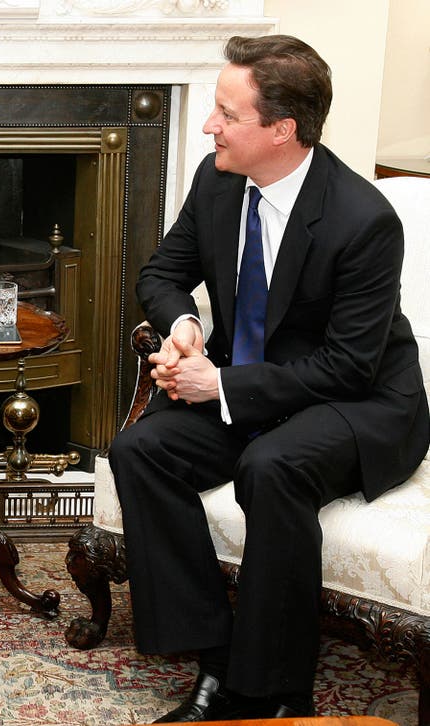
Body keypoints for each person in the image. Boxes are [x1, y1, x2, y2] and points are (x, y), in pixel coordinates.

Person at [108, 34, 429, 722]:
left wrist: (219, 388)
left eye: (227, 113)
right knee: (141, 449)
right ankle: (217, 660)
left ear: (282, 130)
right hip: (256, 384)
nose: (208, 125)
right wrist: (183, 329)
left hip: (362, 402)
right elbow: (163, 273)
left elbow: (349, 365)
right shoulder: (218, 180)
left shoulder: (362, 220)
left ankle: (273, 691)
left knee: (272, 464)